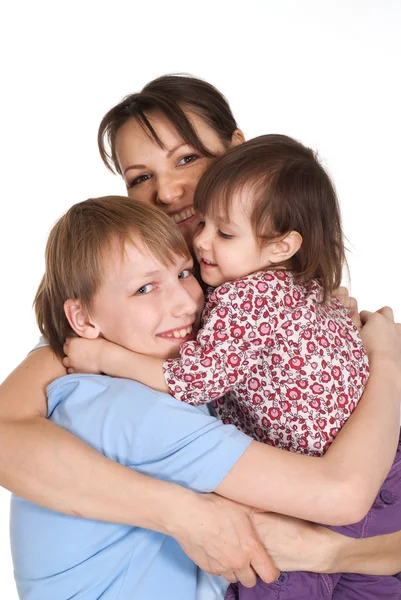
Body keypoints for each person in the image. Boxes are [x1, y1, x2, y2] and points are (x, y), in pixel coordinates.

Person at [1, 74, 401, 582]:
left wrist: (328, 555)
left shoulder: (286, 298)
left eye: (187, 158)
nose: (167, 190)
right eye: (139, 177)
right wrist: (181, 512)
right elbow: (5, 436)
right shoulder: (121, 320)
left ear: (238, 152)